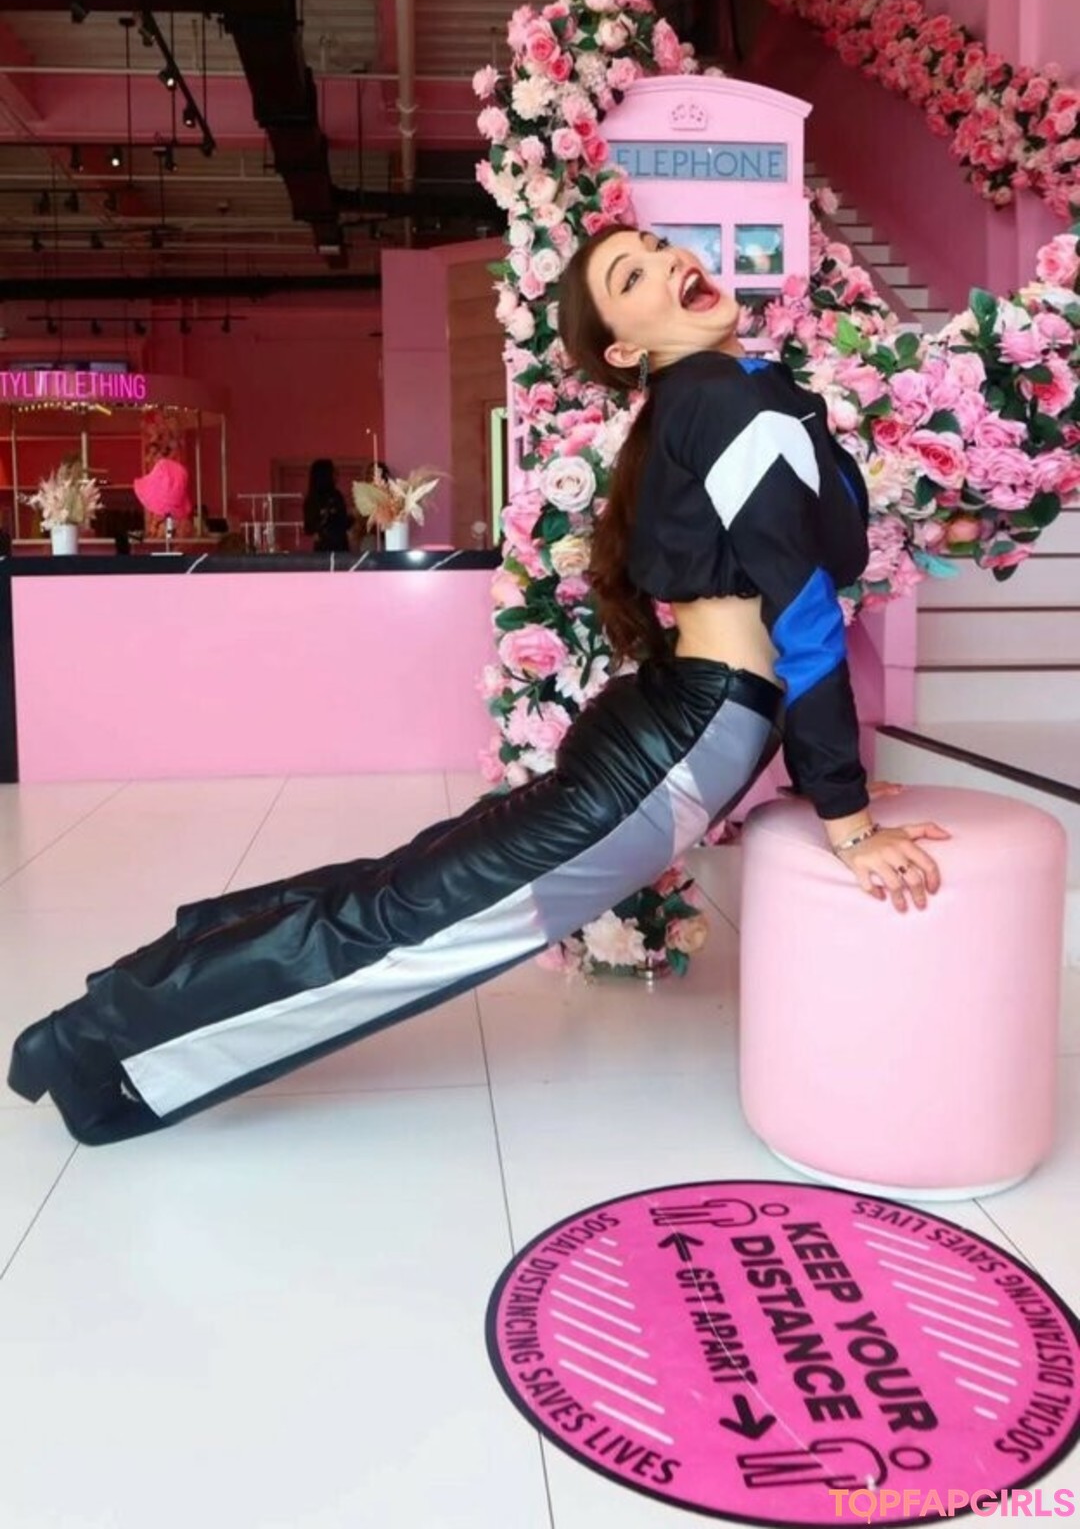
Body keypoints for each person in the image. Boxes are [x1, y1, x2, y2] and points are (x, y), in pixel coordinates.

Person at [7, 226, 948, 1147]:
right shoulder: (720, 399)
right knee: (408, 924)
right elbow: (803, 616)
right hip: (675, 745)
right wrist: (847, 818)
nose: (670, 263)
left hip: (672, 724)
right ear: (625, 350)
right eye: (632, 276)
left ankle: (110, 1017)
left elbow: (778, 595)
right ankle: (97, 1045)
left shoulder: (728, 393)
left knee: (394, 894)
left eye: (660, 251)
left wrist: (833, 785)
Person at [302, 458, 351, 553]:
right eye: (334, 472)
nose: (337, 475)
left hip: (322, 548)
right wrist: (354, 517)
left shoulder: (310, 499)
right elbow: (342, 522)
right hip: (338, 547)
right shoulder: (335, 496)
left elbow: (308, 528)